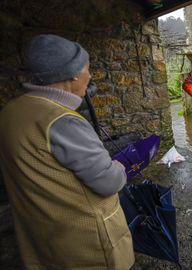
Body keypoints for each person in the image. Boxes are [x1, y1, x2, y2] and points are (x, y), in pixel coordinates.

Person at [0, 34, 135, 269]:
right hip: (84, 243)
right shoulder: (64, 122)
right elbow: (108, 182)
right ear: (73, 74)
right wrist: (120, 167)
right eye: (88, 69)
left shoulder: (12, 110)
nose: (90, 76)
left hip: (43, 232)